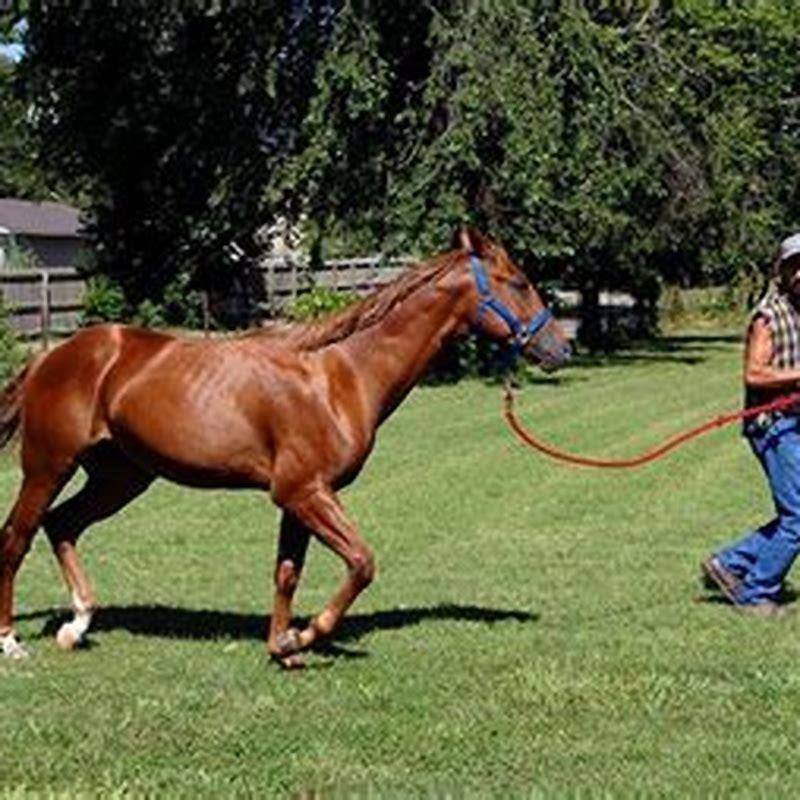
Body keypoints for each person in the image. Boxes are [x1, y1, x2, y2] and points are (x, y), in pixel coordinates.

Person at [703, 233, 800, 617]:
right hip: (773, 425)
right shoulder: (769, 315)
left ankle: (730, 563)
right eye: (795, 265)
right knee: (798, 516)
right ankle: (756, 591)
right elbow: (755, 374)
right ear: (782, 271)